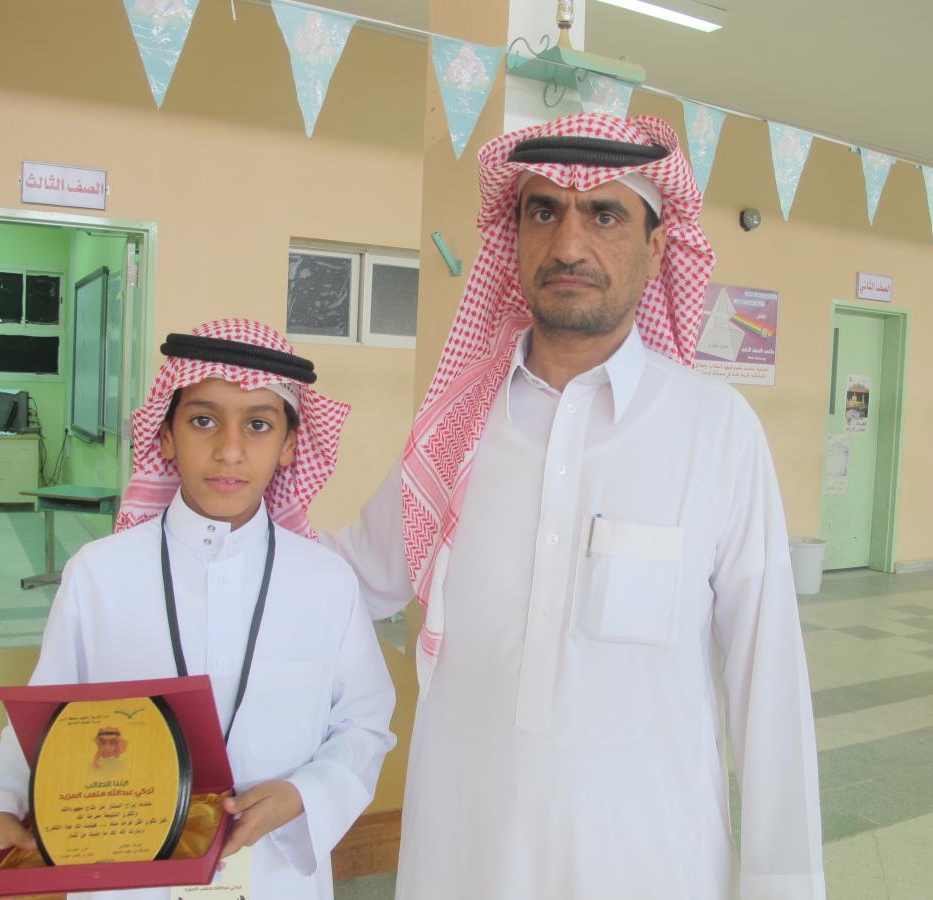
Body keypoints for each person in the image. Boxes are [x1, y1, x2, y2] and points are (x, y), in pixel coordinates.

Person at [324, 114, 825, 899]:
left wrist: (783, 887)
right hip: (465, 858)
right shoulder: (458, 425)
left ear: (658, 246)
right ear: (515, 236)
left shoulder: (716, 431)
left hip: (650, 864)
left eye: (605, 215)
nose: (568, 244)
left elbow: (769, 686)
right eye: (544, 211)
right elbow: (346, 580)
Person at [0, 319, 396, 900]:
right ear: (166, 436)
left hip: (273, 872)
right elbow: (48, 722)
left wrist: (305, 794)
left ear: (291, 445)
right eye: (203, 421)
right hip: (126, 873)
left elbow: (363, 724)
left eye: (258, 425)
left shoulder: (326, 582)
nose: (229, 450)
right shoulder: (99, 574)